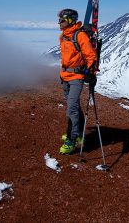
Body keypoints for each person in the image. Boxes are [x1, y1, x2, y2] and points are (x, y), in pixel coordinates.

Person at [58, 9, 97, 154]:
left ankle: (72, 138)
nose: (59, 23)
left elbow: (90, 56)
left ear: (70, 21)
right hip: (65, 76)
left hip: (76, 78)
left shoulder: (80, 36)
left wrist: (90, 73)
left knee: (72, 108)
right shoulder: (63, 36)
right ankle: (79, 133)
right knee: (73, 106)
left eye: (62, 20)